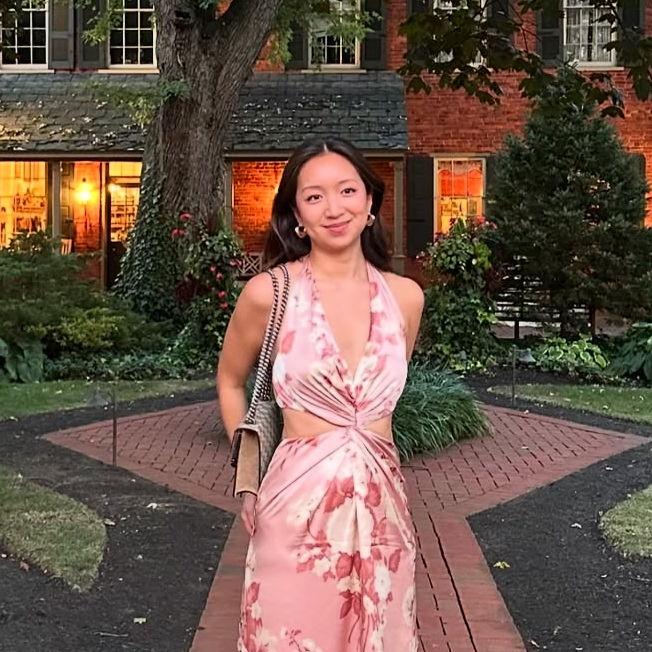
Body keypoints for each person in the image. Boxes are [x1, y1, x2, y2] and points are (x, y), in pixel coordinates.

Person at [217, 136, 424, 652]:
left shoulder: (405, 298)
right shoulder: (269, 293)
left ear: (370, 203)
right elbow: (230, 381)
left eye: (347, 190)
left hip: (383, 512)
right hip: (294, 511)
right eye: (314, 196)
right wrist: (247, 479)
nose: (334, 208)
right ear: (296, 216)